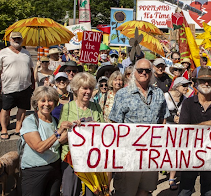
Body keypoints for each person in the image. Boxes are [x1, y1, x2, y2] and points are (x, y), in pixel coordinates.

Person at [109, 59, 169, 196]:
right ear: (133, 72)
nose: (143, 73)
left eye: (147, 70)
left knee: (145, 191)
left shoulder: (158, 93)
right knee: (126, 192)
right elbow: (115, 124)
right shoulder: (123, 94)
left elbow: (163, 120)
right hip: (129, 155)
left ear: (151, 72)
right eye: (140, 70)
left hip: (151, 154)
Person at [178, 67, 211, 196]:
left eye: (210, 81)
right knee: (185, 190)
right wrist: (207, 124)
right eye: (203, 81)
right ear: (196, 83)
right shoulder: (188, 104)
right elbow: (183, 130)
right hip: (189, 155)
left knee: (208, 191)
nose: (206, 84)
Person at [20, 86, 72, 196]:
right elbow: (39, 147)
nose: (47, 104)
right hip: (34, 171)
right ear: (36, 103)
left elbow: (58, 142)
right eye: (43, 101)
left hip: (54, 167)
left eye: (50, 100)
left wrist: (74, 127)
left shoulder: (55, 120)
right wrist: (58, 132)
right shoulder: (29, 121)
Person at [59, 72, 104, 196]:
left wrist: (97, 127)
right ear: (76, 89)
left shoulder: (96, 107)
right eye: (84, 88)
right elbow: (60, 139)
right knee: (70, 192)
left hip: (92, 158)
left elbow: (105, 134)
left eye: (90, 88)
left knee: (92, 193)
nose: (88, 92)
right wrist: (71, 129)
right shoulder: (67, 108)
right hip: (71, 158)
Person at [0, 31, 35, 140]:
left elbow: (31, 69)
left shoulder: (26, 53)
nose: (16, 40)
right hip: (8, 87)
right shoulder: (3, 52)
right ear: (10, 40)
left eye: (19, 39)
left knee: (22, 109)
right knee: (6, 109)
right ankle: (4, 129)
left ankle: (18, 128)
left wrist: (33, 83)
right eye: (14, 38)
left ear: (22, 40)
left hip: (25, 87)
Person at [163, 77, 191, 190]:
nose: (186, 88)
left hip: (178, 130)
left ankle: (172, 178)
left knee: (175, 152)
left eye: (187, 85)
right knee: (163, 153)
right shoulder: (165, 96)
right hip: (166, 128)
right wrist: (171, 118)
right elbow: (159, 112)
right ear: (177, 86)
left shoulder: (186, 99)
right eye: (184, 85)